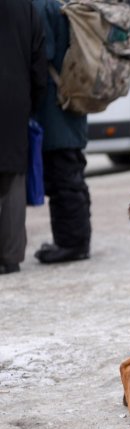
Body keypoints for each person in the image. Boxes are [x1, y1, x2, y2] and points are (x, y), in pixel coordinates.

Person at [32, 0, 91, 264]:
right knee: (72, 175)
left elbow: (43, 53)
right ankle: (77, 241)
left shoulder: (43, 6)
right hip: (71, 102)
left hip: (54, 107)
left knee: (63, 179)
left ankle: (71, 244)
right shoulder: (63, 3)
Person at [0, 0, 47, 275]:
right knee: (12, 180)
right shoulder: (26, 7)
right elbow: (38, 60)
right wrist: (33, 102)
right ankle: (10, 256)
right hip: (15, 101)